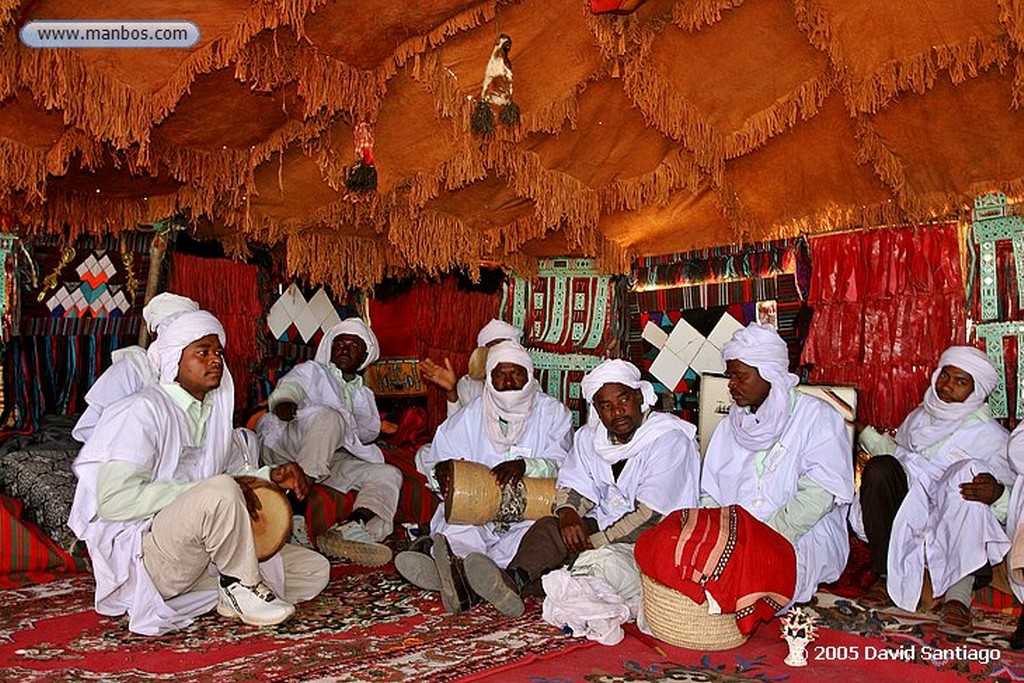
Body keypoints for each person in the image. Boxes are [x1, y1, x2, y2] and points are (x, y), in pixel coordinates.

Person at [68, 310, 329, 636]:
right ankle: (240, 585)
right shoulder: (140, 411)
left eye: (218, 352)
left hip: (202, 557)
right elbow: (115, 501)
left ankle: (228, 589)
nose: (215, 360)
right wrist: (205, 489)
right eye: (202, 352)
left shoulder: (215, 417)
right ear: (175, 359)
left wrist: (269, 476)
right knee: (219, 489)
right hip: (151, 557)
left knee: (314, 570)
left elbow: (235, 478)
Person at [459, 358, 701, 617]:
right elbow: (575, 485)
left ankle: (495, 588)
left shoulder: (668, 440)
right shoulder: (590, 437)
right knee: (548, 527)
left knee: (599, 566)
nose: (617, 411)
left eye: (623, 400)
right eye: (606, 405)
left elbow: (650, 516)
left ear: (640, 396)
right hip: (606, 525)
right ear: (596, 409)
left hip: (654, 539)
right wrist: (568, 514)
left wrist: (594, 542)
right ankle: (513, 580)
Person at [396, 341, 573, 614]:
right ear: (489, 377)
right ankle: (466, 574)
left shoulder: (552, 413)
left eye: (516, 372)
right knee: (456, 528)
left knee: (537, 539)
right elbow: (438, 464)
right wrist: (441, 473)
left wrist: (525, 466)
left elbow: (564, 463)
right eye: (500, 374)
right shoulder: (470, 415)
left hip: (526, 516)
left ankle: (458, 578)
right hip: (476, 514)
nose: (509, 381)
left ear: (529, 375)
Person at [856, 347, 1011, 635]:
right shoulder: (919, 418)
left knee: (969, 474)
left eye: (960, 382)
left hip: (957, 515)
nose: (947, 386)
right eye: (945, 376)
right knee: (880, 469)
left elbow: (1014, 504)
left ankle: (958, 597)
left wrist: (998, 494)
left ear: (978, 393)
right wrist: (864, 433)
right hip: (912, 510)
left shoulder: (993, 438)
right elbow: (902, 459)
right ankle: (887, 575)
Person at [701, 323, 854, 605]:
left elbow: (819, 495)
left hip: (798, 533)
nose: (731, 385)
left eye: (739, 376)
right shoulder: (729, 427)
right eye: (730, 376)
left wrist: (765, 539)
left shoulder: (817, 417)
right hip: (738, 536)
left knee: (758, 580)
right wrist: (722, 537)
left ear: (769, 374)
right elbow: (709, 493)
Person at [258, 317, 400, 567]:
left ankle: (352, 527)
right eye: (340, 344)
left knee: (388, 473)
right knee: (329, 417)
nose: (344, 349)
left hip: (326, 455)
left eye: (353, 346)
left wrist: (360, 420)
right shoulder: (314, 371)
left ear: (365, 356)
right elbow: (291, 387)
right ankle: (296, 515)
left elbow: (365, 436)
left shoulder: (363, 393)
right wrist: (284, 403)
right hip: (286, 443)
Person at [72, 292, 199, 442]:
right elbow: (95, 428)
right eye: (173, 330)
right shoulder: (131, 369)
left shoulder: (201, 371)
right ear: (156, 333)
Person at [419, 318, 524, 417]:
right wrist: (451, 392)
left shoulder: (525, 383)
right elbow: (456, 430)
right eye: (493, 349)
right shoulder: (468, 385)